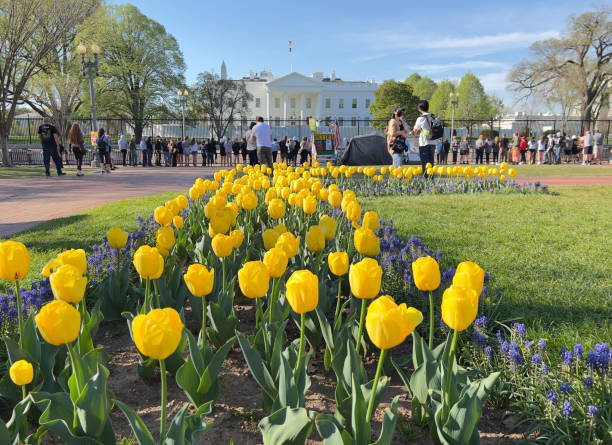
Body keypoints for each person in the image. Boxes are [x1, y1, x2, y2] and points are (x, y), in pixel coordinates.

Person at [412, 100, 436, 175]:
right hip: (432, 142)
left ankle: (426, 180)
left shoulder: (420, 119)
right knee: (431, 163)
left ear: (419, 109)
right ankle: (431, 179)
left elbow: (415, 132)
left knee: (425, 163)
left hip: (424, 143)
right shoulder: (434, 117)